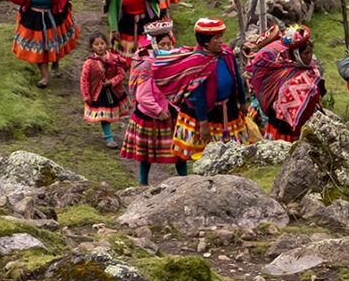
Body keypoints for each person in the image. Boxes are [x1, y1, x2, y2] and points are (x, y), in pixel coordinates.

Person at [169, 17, 260, 162]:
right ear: (205, 41)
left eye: (221, 37)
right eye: (216, 38)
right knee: (208, 157)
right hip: (206, 114)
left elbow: (236, 79)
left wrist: (242, 102)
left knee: (236, 153)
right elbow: (198, 95)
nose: (220, 41)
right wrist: (203, 123)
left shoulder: (227, 55)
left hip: (229, 109)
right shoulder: (197, 62)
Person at [120, 23, 187, 184]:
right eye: (162, 44)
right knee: (146, 154)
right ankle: (143, 184)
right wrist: (158, 111)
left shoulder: (174, 61)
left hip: (171, 112)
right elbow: (142, 95)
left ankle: (186, 181)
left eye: (168, 44)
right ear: (154, 45)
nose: (166, 47)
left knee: (179, 151)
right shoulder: (148, 65)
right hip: (150, 114)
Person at [245, 25, 326, 141]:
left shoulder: (309, 69)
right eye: (306, 53)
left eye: (311, 52)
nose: (310, 57)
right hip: (285, 130)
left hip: (307, 123)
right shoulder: (285, 74)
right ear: (296, 54)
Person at [79, 33, 130, 145]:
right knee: (104, 116)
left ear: (106, 44)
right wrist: (86, 95)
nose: (100, 46)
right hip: (99, 93)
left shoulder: (114, 58)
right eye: (96, 44)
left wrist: (112, 82)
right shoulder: (89, 63)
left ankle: (121, 135)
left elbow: (121, 74)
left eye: (102, 43)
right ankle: (109, 137)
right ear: (92, 47)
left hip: (114, 91)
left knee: (113, 113)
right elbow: (84, 80)